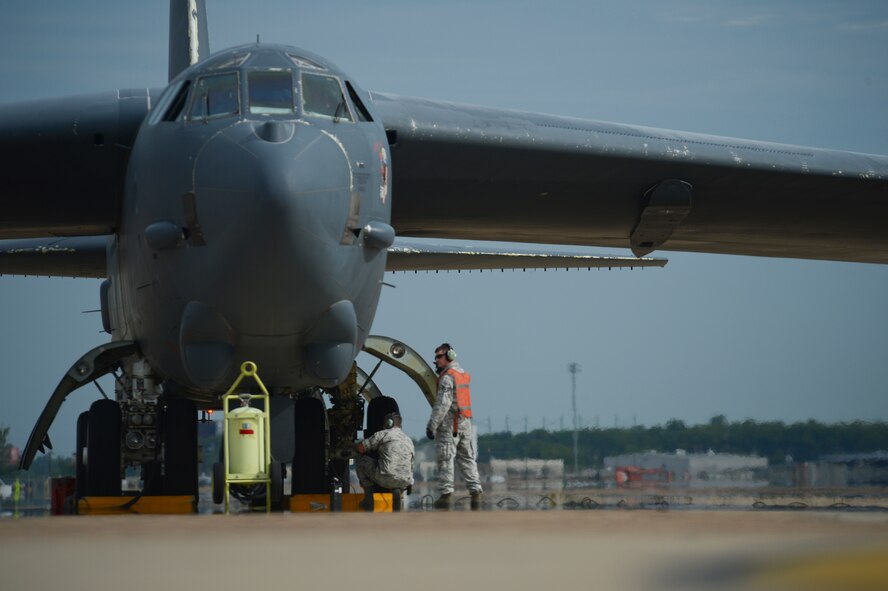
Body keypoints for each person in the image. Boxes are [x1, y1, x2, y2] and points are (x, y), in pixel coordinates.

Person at [426, 343, 483, 510]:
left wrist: (432, 426)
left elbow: (443, 404)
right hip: (465, 424)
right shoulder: (461, 374)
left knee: (445, 459)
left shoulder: (447, 377)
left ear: (449, 356)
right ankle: (476, 493)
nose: (435, 360)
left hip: (450, 426)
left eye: (439, 357)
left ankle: (446, 496)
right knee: (467, 460)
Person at [354, 412, 415, 511]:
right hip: (405, 481)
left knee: (361, 461)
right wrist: (410, 483)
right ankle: (397, 493)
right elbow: (411, 464)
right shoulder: (408, 440)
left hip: (385, 478)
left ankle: (368, 499)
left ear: (388, 423)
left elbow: (361, 449)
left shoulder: (383, 434)